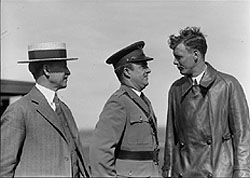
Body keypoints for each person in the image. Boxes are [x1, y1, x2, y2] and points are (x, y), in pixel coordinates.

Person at [162, 27, 250, 177]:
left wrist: (242, 173)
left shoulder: (227, 85)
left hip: (219, 172)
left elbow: (243, 136)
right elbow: (171, 138)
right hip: (184, 172)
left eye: (179, 57)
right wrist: (168, 171)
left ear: (195, 54)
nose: (174, 62)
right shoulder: (176, 89)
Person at [0, 42, 90, 177]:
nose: (68, 72)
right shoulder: (18, 111)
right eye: (64, 66)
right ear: (47, 69)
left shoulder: (64, 109)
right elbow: (4, 168)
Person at [89, 41, 161, 177]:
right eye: (143, 66)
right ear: (127, 72)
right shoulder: (118, 102)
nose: (148, 70)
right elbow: (100, 151)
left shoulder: (143, 101)